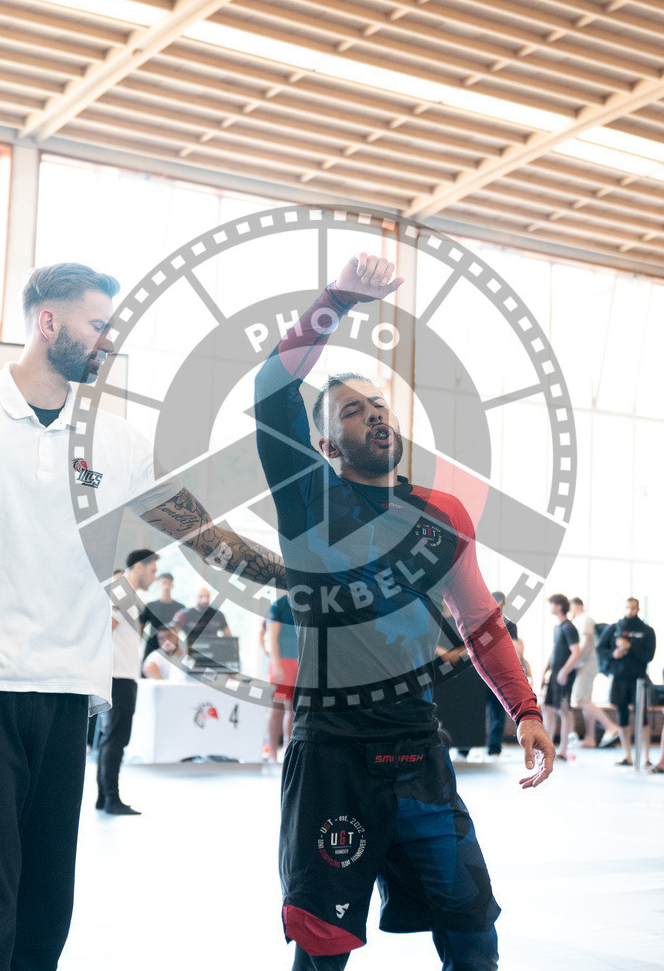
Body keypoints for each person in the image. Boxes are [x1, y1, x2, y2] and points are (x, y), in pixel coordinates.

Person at [0, 262, 285, 971]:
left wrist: (298, 573)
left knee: (47, 900)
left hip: (66, 691)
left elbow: (202, 533)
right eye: (99, 324)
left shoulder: (116, 443)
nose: (109, 340)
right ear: (47, 323)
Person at [255, 252, 554, 971]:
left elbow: (481, 623)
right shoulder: (308, 503)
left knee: (472, 929)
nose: (372, 416)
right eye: (350, 412)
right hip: (332, 757)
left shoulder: (440, 515)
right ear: (324, 445)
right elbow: (272, 386)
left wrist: (525, 709)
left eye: (378, 404)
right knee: (323, 947)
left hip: (418, 752)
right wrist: (337, 299)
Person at [96, 549, 157, 815]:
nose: (154, 577)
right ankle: (111, 797)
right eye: (153, 571)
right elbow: (104, 628)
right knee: (116, 739)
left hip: (122, 675)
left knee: (111, 738)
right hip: (117, 676)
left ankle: (104, 796)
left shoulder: (131, 596)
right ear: (139, 567)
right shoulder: (121, 592)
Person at [598, 598, 656, 767]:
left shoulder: (647, 631)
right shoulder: (614, 628)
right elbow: (601, 649)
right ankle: (627, 755)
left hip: (638, 679)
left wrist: (630, 646)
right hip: (619, 678)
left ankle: (645, 756)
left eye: (633, 608)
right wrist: (613, 654)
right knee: (622, 715)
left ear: (638, 609)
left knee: (642, 717)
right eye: (627, 607)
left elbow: (649, 656)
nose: (630, 610)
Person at [568, 596, 620, 749]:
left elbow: (585, 641)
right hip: (586, 662)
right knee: (586, 700)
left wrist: (576, 661)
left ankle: (610, 726)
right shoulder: (581, 620)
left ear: (575, 606)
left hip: (586, 663)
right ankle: (590, 738)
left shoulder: (585, 619)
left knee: (581, 699)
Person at [542, 594, 581, 760]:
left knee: (564, 710)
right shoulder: (557, 627)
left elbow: (576, 652)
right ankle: (547, 745)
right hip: (555, 673)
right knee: (547, 707)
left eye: (552, 604)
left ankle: (564, 750)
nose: (550, 607)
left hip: (563, 675)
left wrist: (564, 671)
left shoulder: (568, 627)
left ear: (559, 606)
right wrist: (545, 671)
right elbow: (554, 651)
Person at [486, 591, 519, 757]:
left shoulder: (509, 625)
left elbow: (513, 648)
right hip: (479, 672)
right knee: (473, 709)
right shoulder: (479, 622)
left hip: (499, 673)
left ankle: (494, 748)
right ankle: (465, 748)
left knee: (498, 711)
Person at [266, 594, 299, 762]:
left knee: (293, 709)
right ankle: (272, 752)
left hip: (299, 663)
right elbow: (272, 638)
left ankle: (288, 750)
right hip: (282, 663)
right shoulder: (278, 605)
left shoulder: (304, 603)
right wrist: (277, 664)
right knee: (276, 708)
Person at [139, 571, 184, 670]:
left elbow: (182, 630)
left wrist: (180, 647)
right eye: (163, 583)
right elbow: (140, 627)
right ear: (158, 586)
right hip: (152, 646)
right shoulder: (150, 606)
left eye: (168, 583)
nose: (166, 586)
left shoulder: (180, 608)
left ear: (172, 585)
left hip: (172, 648)